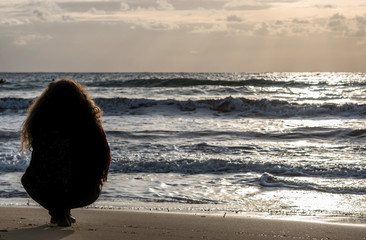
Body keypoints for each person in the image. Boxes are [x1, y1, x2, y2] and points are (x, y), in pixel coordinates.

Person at [20, 79, 111, 227]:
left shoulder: (41, 124)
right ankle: (62, 212)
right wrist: (98, 177)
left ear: (47, 100)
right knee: (67, 173)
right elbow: (103, 153)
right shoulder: (89, 123)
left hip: (49, 188)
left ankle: (59, 212)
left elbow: (39, 161)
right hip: (84, 191)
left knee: (28, 179)